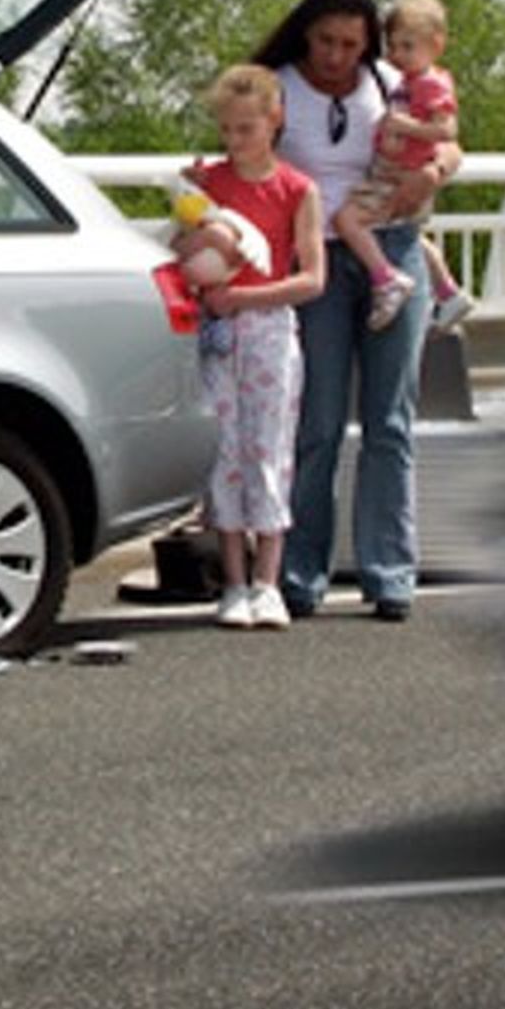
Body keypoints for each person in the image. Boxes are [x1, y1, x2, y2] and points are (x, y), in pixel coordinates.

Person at [253, 0, 462, 622]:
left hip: (391, 246)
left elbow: (449, 141)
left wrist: (435, 170)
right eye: (325, 42)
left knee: (389, 421)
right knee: (315, 424)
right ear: (305, 36)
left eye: (350, 43)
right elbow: (244, 160)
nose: (337, 56)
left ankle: (389, 570)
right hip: (316, 257)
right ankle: (300, 571)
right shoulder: (279, 86)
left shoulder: (392, 83)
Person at [182, 64, 324, 630]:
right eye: (228, 130)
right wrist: (193, 209)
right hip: (220, 332)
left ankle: (268, 579)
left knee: (268, 448)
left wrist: (243, 296)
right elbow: (182, 248)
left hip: (266, 327)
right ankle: (234, 581)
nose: (235, 141)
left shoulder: (296, 189)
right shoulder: (210, 183)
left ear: (274, 121)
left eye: (246, 128)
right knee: (224, 448)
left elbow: (313, 278)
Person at [327, 0, 473, 333]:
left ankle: (387, 278)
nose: (398, 55)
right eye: (393, 46)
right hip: (392, 171)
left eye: (408, 46)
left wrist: (407, 131)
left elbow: (447, 130)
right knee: (410, 232)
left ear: (435, 45)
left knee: (349, 220)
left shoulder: (429, 84)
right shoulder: (405, 81)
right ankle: (448, 291)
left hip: (398, 176)